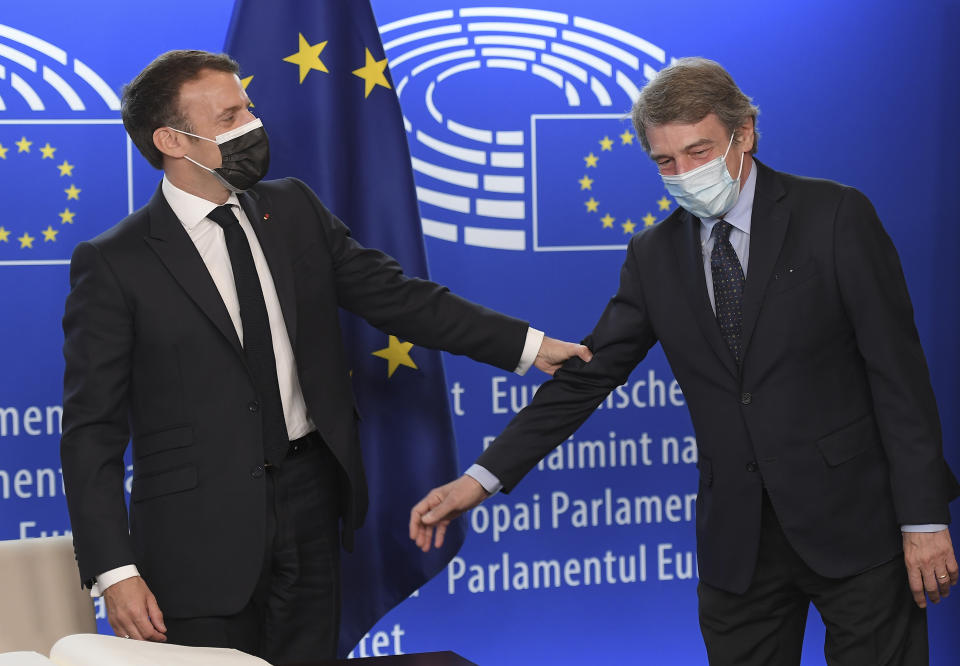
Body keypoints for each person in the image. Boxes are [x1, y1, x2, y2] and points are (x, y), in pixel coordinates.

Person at [410, 57, 959, 665]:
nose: (683, 174)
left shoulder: (835, 216)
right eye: (665, 162)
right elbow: (586, 380)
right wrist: (478, 479)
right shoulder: (653, 254)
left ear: (744, 132)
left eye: (698, 153)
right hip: (737, 544)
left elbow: (899, 379)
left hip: (856, 527)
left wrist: (924, 519)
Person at [59, 49, 590, 662]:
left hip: (313, 501)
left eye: (248, 108)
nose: (252, 124)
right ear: (171, 140)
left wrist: (529, 347)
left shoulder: (292, 209)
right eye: (230, 114)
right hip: (194, 538)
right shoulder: (115, 261)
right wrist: (114, 570)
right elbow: (90, 431)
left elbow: (399, 299)